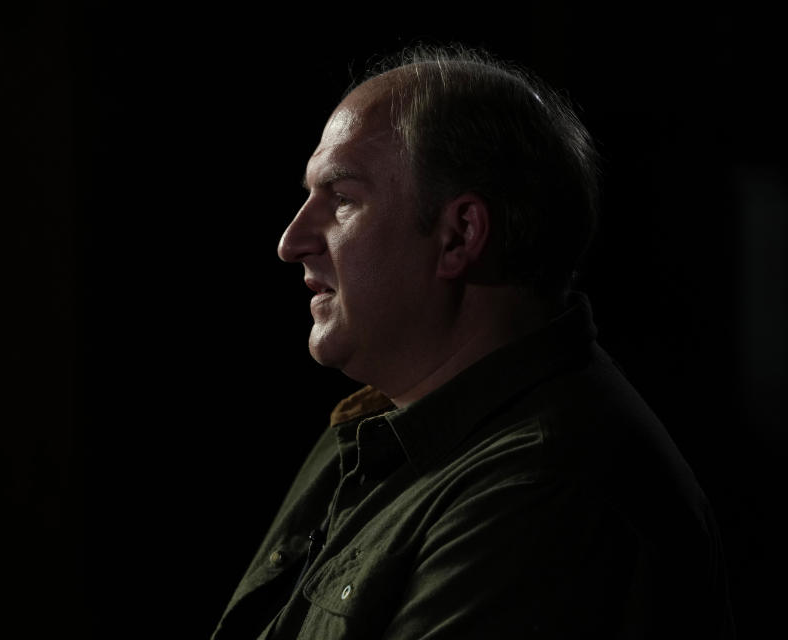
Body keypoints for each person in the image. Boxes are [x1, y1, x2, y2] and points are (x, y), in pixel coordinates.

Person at [212, 47, 734, 639]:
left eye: (342, 198)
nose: (291, 240)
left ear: (460, 234)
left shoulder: (543, 494)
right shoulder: (375, 430)